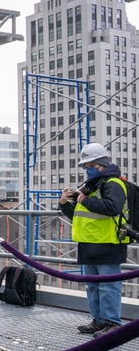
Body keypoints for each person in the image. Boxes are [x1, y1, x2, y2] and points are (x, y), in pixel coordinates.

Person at [58, 142, 127, 338]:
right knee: (93, 286)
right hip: (89, 244)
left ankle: (113, 323)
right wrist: (64, 204)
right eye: (85, 167)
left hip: (108, 243)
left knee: (108, 286)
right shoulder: (91, 187)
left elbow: (112, 207)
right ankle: (98, 320)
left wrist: (85, 200)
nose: (87, 170)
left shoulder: (114, 184)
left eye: (90, 166)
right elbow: (79, 216)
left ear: (101, 164)